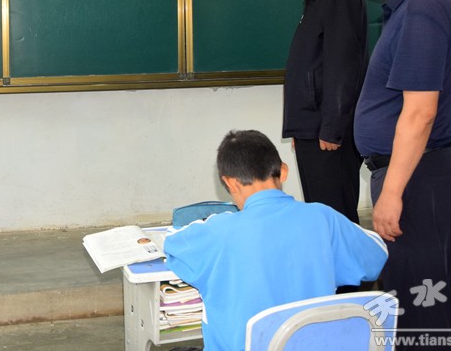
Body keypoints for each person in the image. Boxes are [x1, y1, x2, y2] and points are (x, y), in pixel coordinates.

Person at [355, 0, 451, 348]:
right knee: (418, 299)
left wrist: (392, 192)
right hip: (424, 171)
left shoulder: (422, 9)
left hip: (417, 177)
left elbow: (420, 113)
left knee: (419, 307)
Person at [164, 130, 387, 351]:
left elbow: (171, 243)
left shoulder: (216, 230)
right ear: (283, 171)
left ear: (229, 183)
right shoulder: (324, 217)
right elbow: (376, 256)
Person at [282, 0, 367, 225]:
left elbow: (342, 65)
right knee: (321, 215)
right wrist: (302, 126)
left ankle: (348, 261)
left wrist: (331, 127)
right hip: (314, 127)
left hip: (328, 133)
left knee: (336, 218)